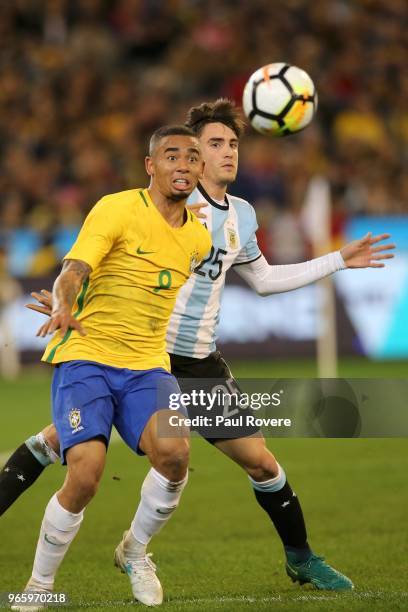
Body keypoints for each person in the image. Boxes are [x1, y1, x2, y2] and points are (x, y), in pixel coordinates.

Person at [2, 101, 394, 595]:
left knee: (260, 462)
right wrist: (73, 297)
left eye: (232, 144)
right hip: (142, 355)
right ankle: (55, 578)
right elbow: (105, 260)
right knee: (73, 454)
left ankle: (299, 558)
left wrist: (337, 259)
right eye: (213, 144)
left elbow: (266, 280)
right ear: (187, 157)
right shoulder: (161, 208)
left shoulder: (241, 216)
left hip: (197, 362)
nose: (226, 153)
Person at [10, 124, 212, 611]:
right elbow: (74, 269)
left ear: (200, 169)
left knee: (176, 454)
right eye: (170, 156)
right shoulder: (116, 207)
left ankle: (135, 551)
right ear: (151, 165)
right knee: (86, 473)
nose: (181, 165)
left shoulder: (199, 242)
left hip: (147, 366)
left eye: (191, 158)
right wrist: (65, 304)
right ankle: (39, 587)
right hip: (87, 356)